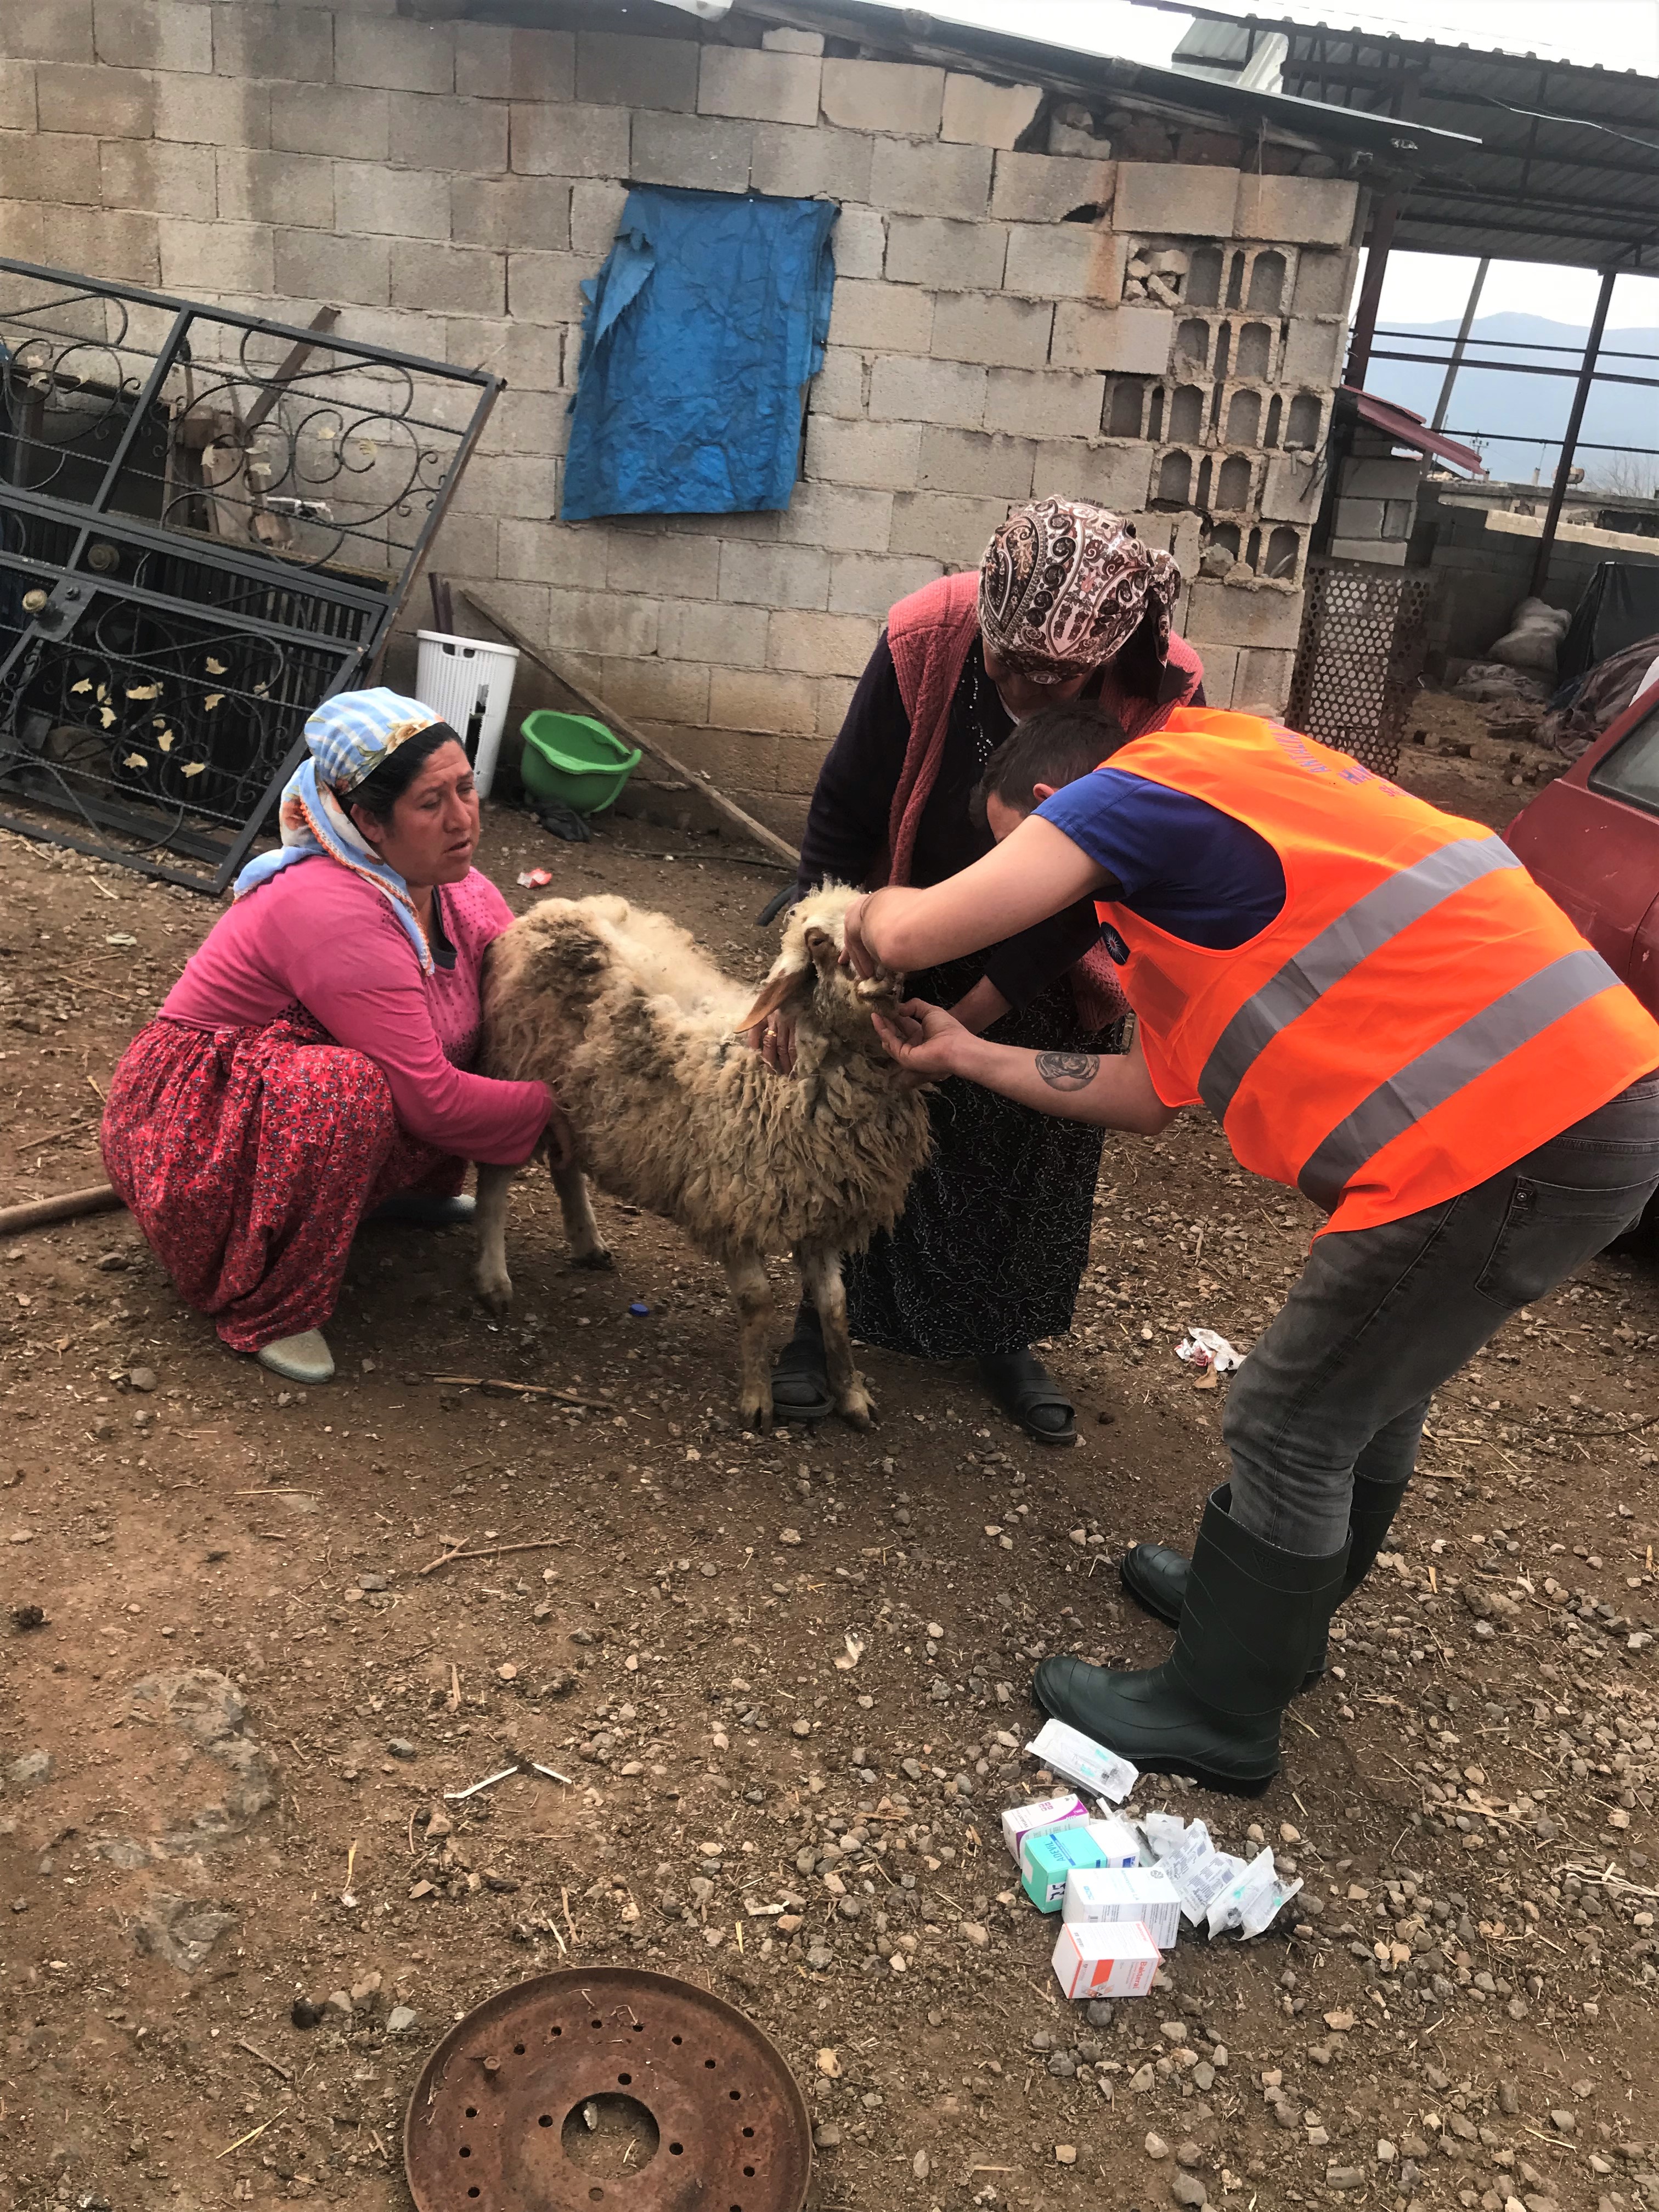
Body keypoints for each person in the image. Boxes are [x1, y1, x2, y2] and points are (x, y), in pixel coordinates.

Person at [848, 698, 1659, 1795]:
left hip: (1512, 1129)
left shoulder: (1145, 794)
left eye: (1020, 851)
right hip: (1574, 1100)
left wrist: (842, 914)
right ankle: (1274, 1621)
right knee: (1368, 1389)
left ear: (1056, 809)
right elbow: (1148, 1095)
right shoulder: (1224, 815)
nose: (1034, 885)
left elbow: (900, 934)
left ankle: (1219, 1709)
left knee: (1289, 1421)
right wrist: (969, 1054)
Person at [758, 498, 1204, 1444]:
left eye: (1044, 681)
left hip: (1055, 940)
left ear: (1100, 661)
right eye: (997, 662)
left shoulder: (1162, 693)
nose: (1008, 681)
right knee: (849, 1115)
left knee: (1019, 1137)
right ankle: (818, 1320)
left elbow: (1103, 888)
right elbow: (844, 806)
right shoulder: (926, 635)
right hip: (905, 911)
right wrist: (810, 949)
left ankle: (998, 1335)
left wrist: (977, 1013)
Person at [101, 690, 567, 1387]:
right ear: (370, 822)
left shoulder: (456, 890)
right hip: (196, 1122)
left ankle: (389, 1192)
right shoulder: (333, 906)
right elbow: (431, 1101)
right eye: (430, 803)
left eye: (467, 789)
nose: (463, 819)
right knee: (343, 1093)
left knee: (469, 1014)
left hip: (284, 1086)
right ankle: (271, 1304)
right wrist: (565, 1110)